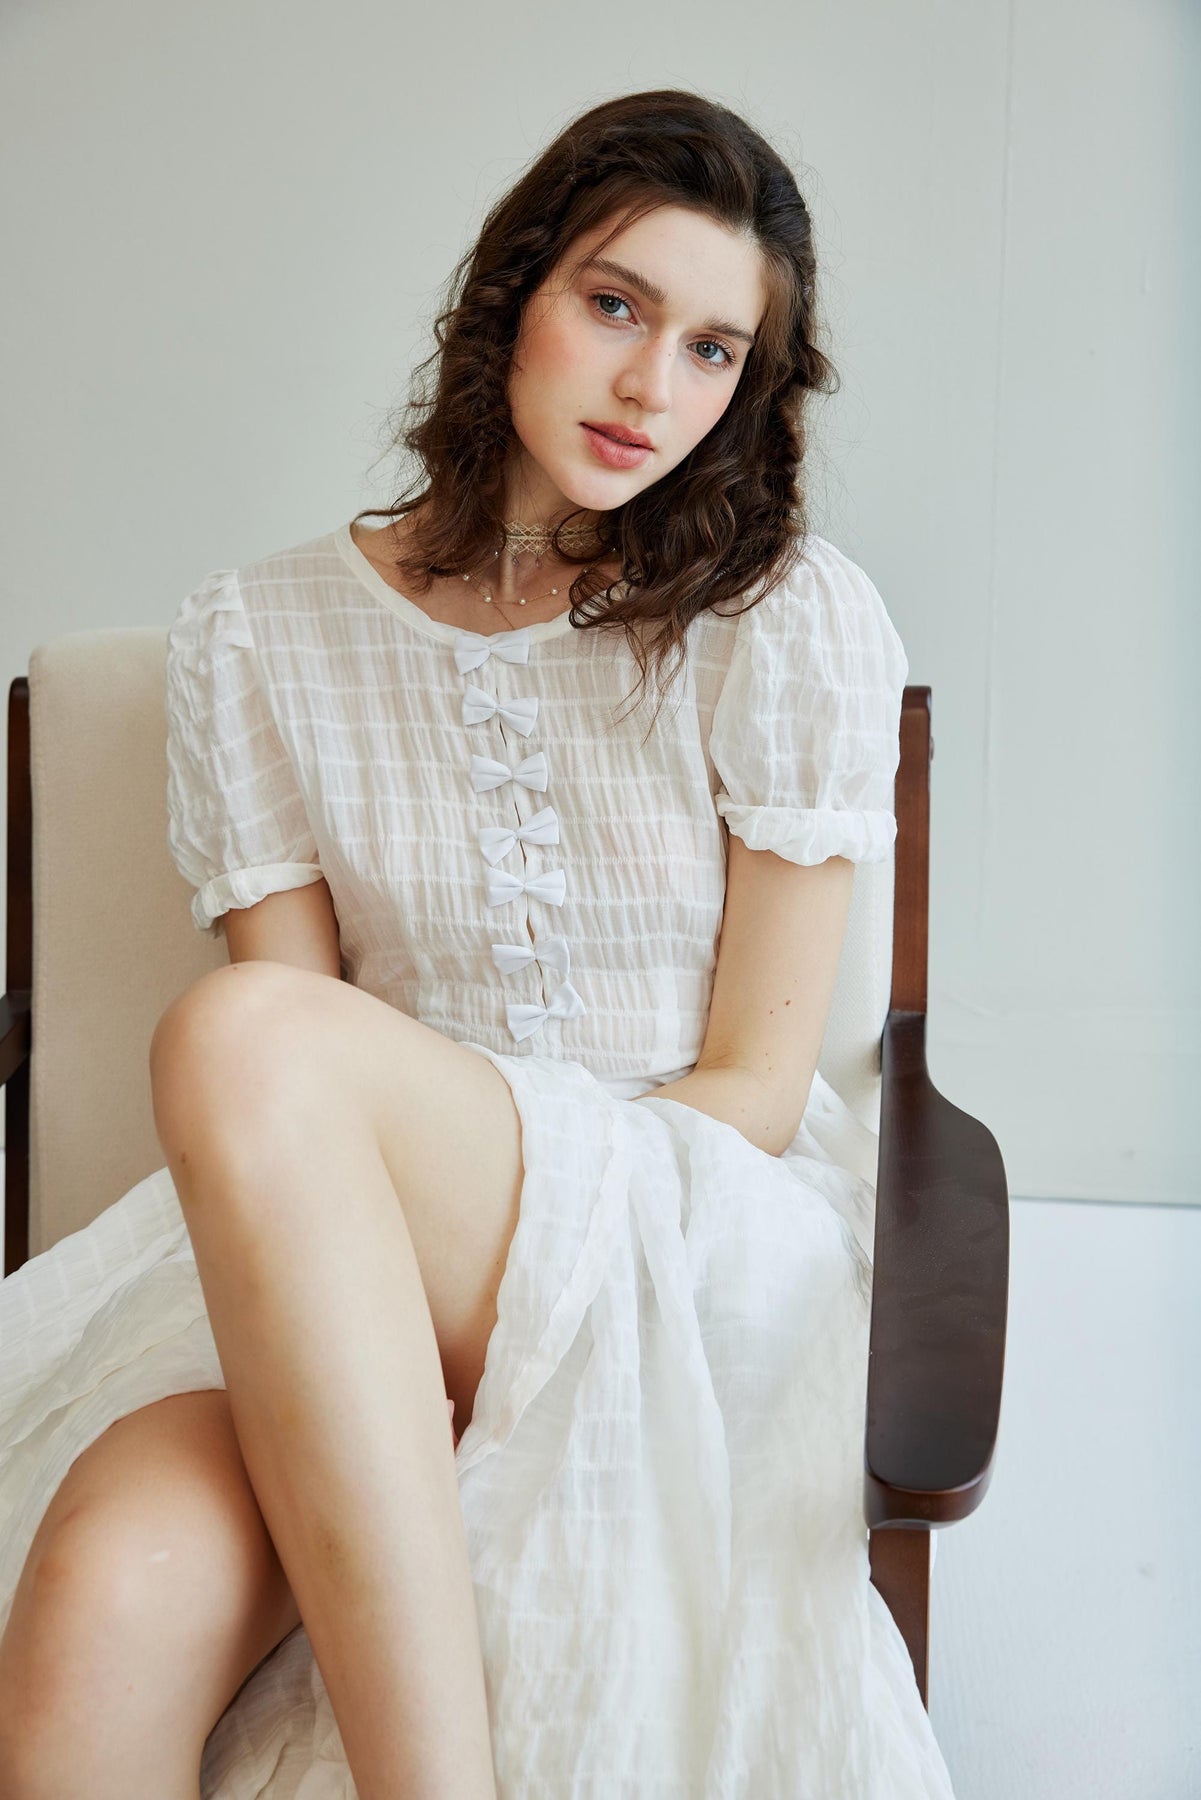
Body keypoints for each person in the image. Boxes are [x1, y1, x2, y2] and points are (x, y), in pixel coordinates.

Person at [0, 87, 957, 1800]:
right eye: (615, 305)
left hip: (676, 1217)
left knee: (238, 1035)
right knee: (103, 1589)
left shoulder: (781, 615)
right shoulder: (259, 632)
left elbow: (754, 1084)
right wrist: (376, 1314)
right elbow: (284, 1093)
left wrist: (512, 1277)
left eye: (713, 349)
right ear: (513, 294)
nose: (650, 387)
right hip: (327, 1237)